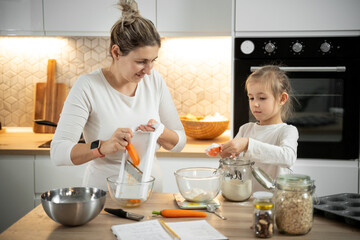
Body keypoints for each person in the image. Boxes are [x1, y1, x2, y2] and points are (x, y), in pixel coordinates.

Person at [50, 0, 186, 192]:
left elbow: (180, 141)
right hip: (105, 197)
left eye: (153, 61)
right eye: (141, 62)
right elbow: (58, 153)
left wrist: (159, 131)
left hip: (151, 194)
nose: (148, 71)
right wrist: (102, 146)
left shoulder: (154, 80)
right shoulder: (88, 86)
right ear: (116, 52)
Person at [220, 65, 299, 192]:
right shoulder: (245, 129)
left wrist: (248, 144)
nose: (255, 104)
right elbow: (235, 167)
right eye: (251, 98)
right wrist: (226, 154)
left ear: (282, 99)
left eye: (262, 98)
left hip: (274, 201)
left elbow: (288, 157)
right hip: (245, 198)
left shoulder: (287, 131)